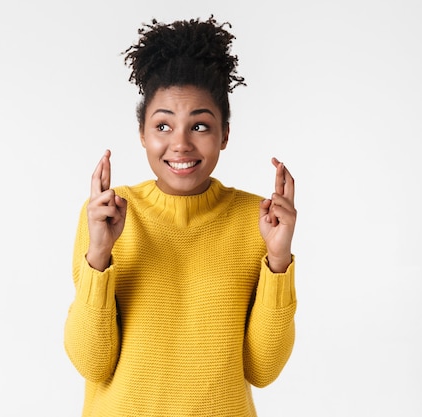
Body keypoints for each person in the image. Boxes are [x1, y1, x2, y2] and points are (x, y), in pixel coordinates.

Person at [64, 16, 297, 416]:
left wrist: (278, 261)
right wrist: (99, 255)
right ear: (142, 133)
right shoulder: (109, 214)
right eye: (163, 125)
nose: (180, 144)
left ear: (224, 133)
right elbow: (91, 362)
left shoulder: (256, 220)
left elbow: (262, 369)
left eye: (200, 125)